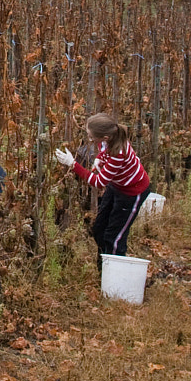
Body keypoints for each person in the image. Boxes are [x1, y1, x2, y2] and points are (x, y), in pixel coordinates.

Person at [56, 112, 150, 266]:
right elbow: (103, 150)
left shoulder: (119, 153)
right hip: (117, 186)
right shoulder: (108, 139)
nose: (89, 139)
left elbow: (99, 182)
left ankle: (114, 277)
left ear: (105, 137)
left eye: (91, 136)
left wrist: (73, 164)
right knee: (99, 228)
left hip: (132, 193)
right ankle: (104, 269)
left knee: (115, 237)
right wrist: (99, 158)